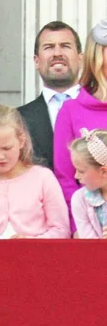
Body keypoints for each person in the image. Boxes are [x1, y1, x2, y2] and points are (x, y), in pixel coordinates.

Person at [0, 105, 70, 239]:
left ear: (21, 141)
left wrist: (31, 242)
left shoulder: (42, 177)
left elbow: (61, 229)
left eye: (7, 148)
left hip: (35, 256)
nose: (0, 156)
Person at [54, 19, 107, 234]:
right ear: (98, 55)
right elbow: (67, 177)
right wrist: (80, 229)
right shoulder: (71, 111)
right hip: (89, 234)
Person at [18, 21, 83, 169]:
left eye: (65, 46)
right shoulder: (18, 119)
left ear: (80, 58)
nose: (57, 53)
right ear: (36, 61)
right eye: (49, 47)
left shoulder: (100, 108)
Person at [69, 128, 107, 239]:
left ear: (103, 171)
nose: (76, 176)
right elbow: (90, 246)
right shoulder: (80, 199)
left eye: (81, 171)